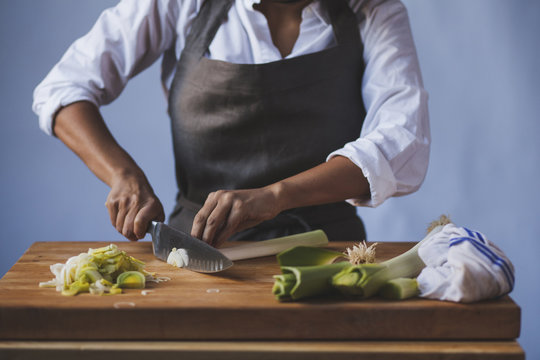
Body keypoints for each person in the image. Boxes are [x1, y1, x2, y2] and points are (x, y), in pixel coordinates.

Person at [32, 0, 429, 248]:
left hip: (329, 255)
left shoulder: (374, 11)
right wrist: (123, 176)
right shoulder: (181, 4)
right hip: (196, 251)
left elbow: (401, 140)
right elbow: (64, 88)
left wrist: (275, 196)